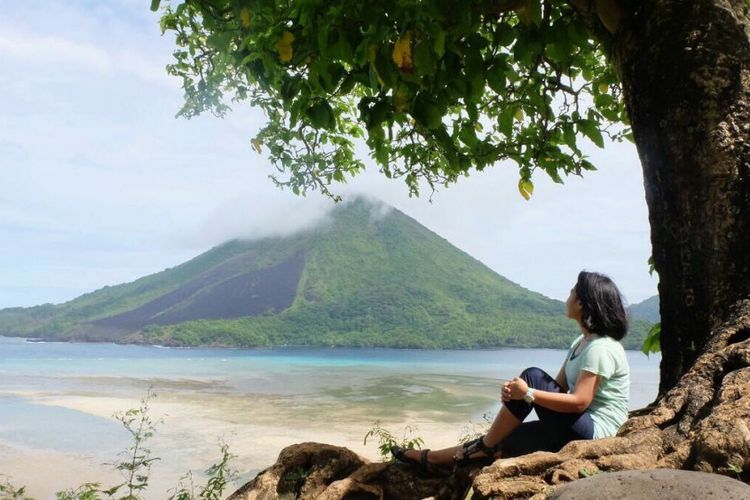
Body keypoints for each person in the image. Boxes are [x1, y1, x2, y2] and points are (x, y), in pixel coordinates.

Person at [392, 271, 631, 474]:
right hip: (577, 427)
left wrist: (528, 393)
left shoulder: (601, 347)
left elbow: (579, 402)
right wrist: (518, 394)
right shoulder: (582, 342)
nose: (567, 297)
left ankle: (465, 451)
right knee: (505, 439)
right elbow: (558, 387)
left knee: (532, 377)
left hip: (597, 434)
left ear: (582, 304)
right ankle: (434, 459)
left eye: (572, 292)